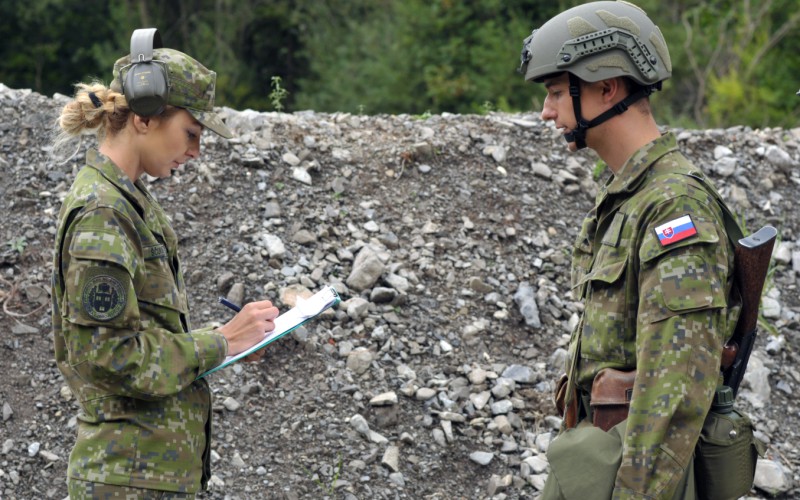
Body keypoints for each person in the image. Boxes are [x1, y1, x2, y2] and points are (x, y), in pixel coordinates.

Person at [519, 2, 745, 498]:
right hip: (600, 458)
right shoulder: (633, 195)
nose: (547, 111)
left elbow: (676, 386)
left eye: (557, 92)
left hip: (635, 476)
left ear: (607, 88)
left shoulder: (673, 207)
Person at [51, 30, 279, 499]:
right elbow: (108, 356)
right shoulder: (103, 213)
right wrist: (218, 342)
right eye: (191, 133)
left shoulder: (129, 202)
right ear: (143, 118)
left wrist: (230, 340)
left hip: (144, 476)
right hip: (126, 478)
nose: (196, 151)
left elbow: (142, 334)